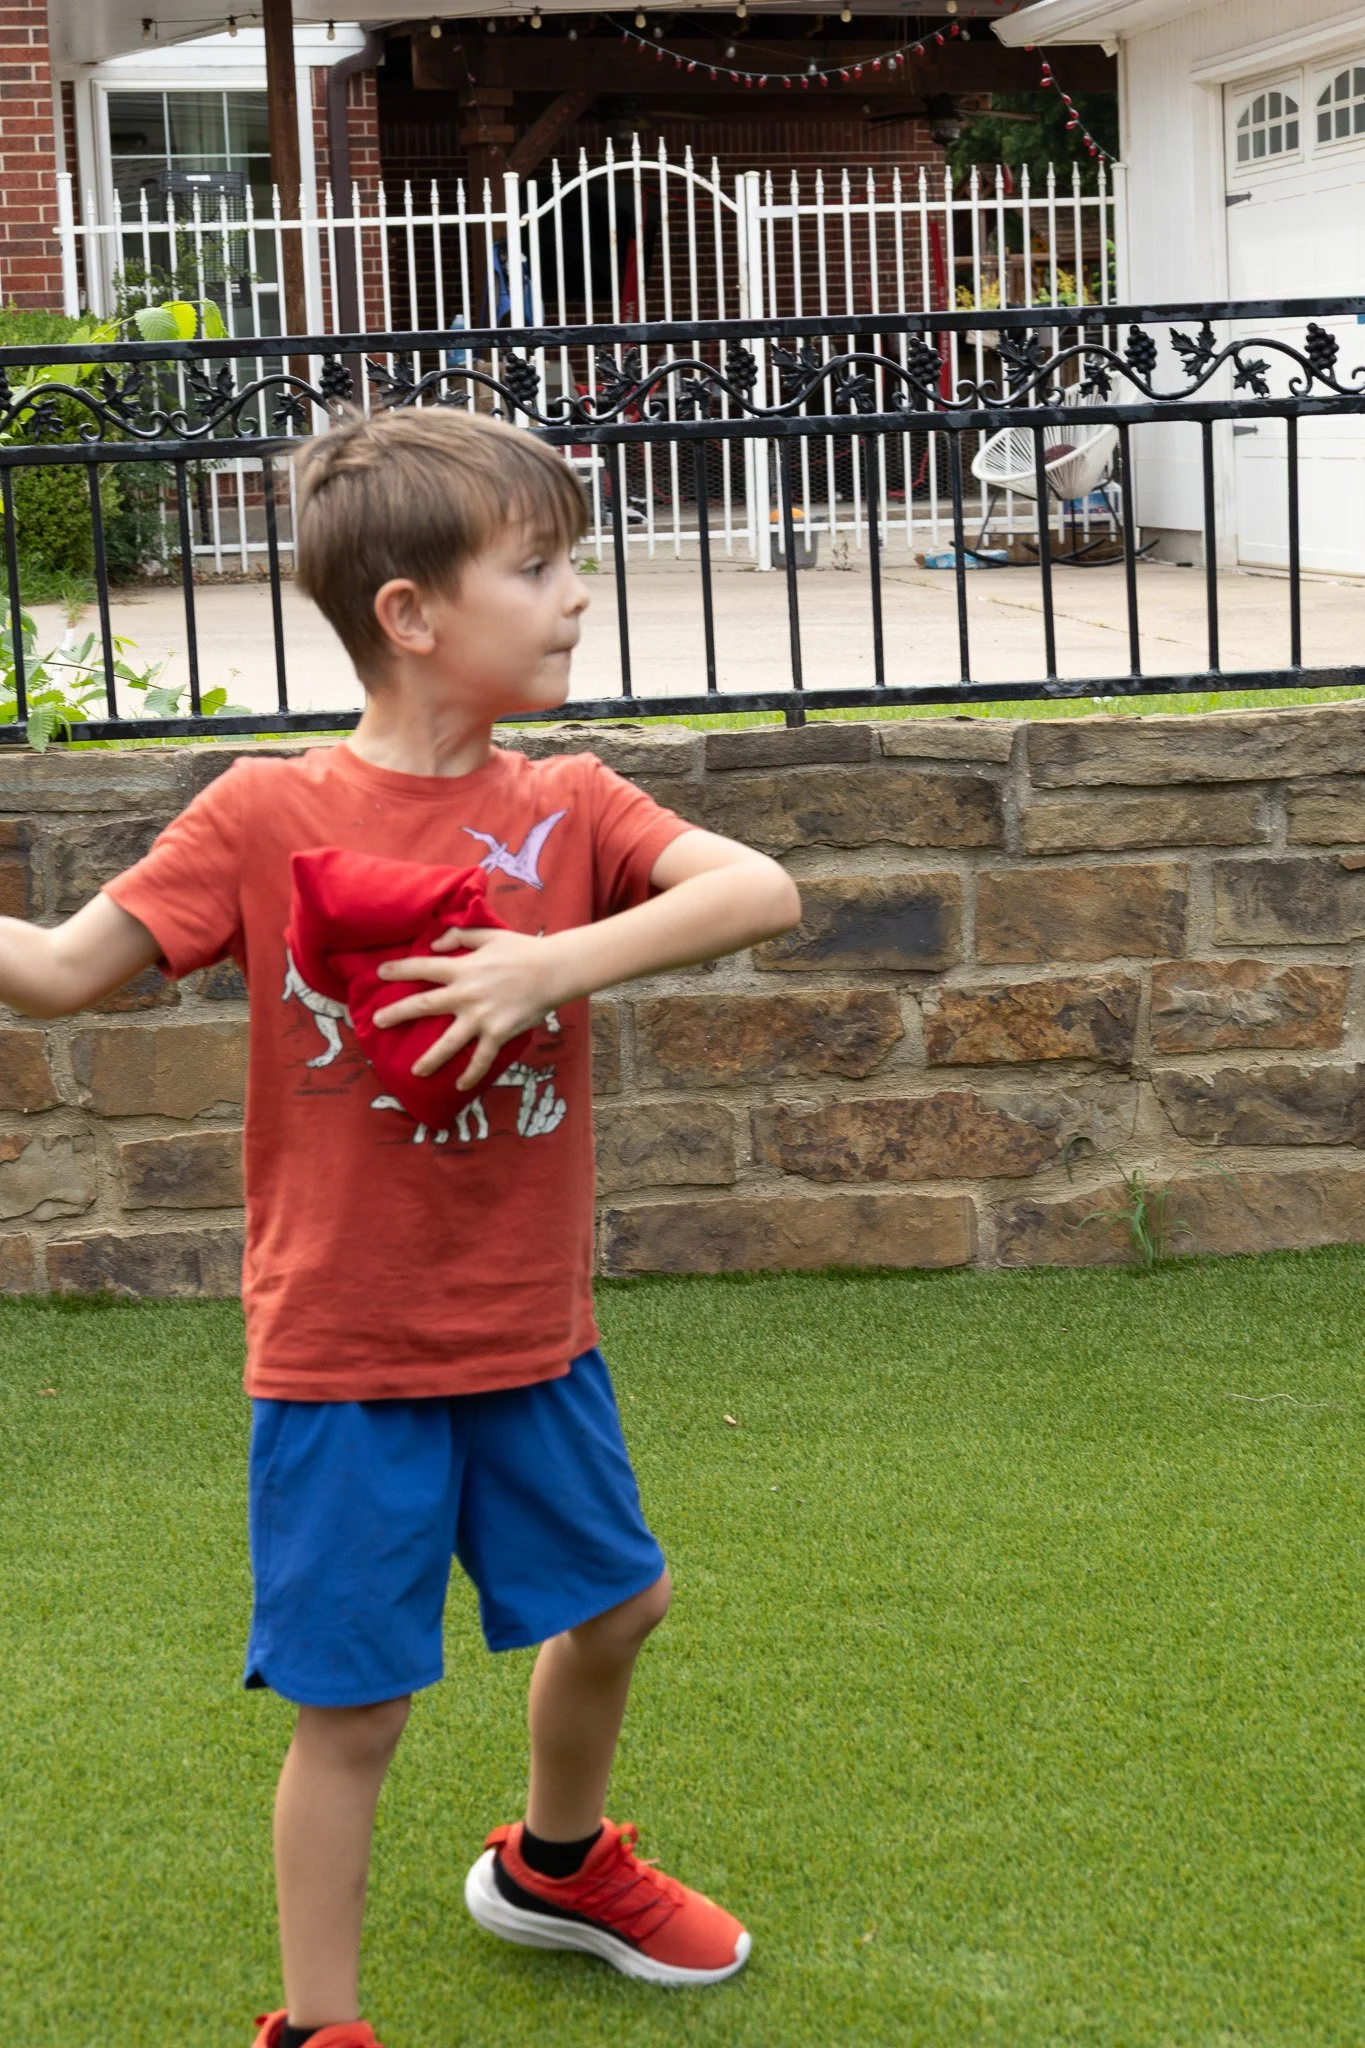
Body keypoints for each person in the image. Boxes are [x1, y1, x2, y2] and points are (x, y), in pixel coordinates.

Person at [0, 407, 801, 2048]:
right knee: (353, 1708)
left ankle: (555, 1864)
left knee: (621, 1604)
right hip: (341, 1356)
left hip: (529, 1335)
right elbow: (64, 971)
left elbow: (756, 888)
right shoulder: (259, 816)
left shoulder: (572, 803)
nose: (579, 595)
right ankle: (321, 2026)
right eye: (540, 565)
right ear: (413, 614)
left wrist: (543, 964)